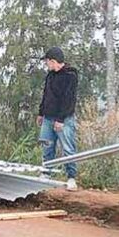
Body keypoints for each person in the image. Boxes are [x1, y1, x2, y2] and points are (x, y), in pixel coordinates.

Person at [37, 47, 79, 191]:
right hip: (48, 117)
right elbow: (46, 95)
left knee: (68, 148)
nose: (46, 64)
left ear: (53, 61)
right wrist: (41, 112)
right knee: (47, 145)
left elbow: (69, 100)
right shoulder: (50, 76)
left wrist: (60, 119)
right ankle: (47, 172)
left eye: (47, 62)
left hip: (64, 119)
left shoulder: (70, 75)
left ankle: (71, 177)